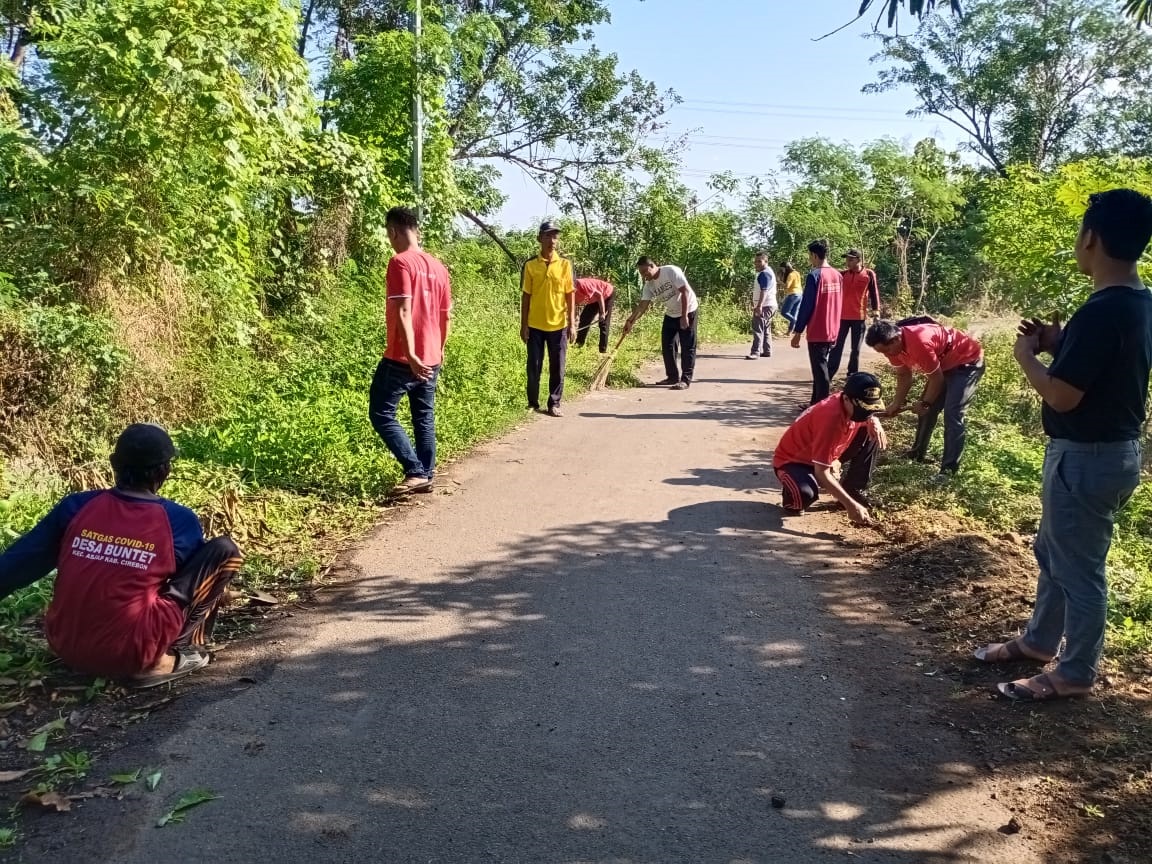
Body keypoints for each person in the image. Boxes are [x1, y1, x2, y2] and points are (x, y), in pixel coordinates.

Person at [975, 188, 1152, 703]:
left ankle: (1074, 673)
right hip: (1109, 453)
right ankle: (1037, 643)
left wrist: (1027, 357)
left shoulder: (1103, 311)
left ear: (1090, 237)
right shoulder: (1136, 302)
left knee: (1079, 571)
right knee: (1053, 553)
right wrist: (1060, 343)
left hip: (1086, 456)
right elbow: (1109, 367)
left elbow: (1063, 395)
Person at [0, 424, 242, 688]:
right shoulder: (179, 520)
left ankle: (117, 653)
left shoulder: (76, 507)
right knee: (224, 550)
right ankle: (167, 656)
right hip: (130, 653)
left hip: (65, 644)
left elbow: (15, 566)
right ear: (165, 470)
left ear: (114, 463)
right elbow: (188, 583)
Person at [369, 206, 453, 494]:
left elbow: (404, 311)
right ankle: (426, 475)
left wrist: (413, 355)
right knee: (423, 416)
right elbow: (446, 316)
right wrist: (438, 350)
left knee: (381, 412)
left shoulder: (400, 263)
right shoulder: (440, 268)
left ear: (393, 232)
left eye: (389, 234)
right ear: (416, 231)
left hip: (404, 357)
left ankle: (416, 470)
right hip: (432, 354)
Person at [866, 317, 984, 479]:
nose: (886, 355)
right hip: (944, 365)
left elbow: (937, 379)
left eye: (886, 351)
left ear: (895, 340)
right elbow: (904, 375)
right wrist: (896, 403)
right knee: (927, 412)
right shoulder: (893, 346)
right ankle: (917, 454)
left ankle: (948, 471)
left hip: (966, 363)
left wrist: (925, 403)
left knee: (953, 414)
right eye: (881, 352)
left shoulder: (919, 342)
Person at [772, 372, 888, 526]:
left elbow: (868, 414)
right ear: (847, 399)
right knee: (804, 496)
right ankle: (793, 489)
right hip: (794, 461)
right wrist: (850, 505)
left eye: (871, 408)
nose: (866, 414)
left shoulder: (851, 401)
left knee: (872, 432)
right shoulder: (830, 419)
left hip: (827, 450)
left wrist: (874, 419)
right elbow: (822, 473)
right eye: (863, 409)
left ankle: (853, 489)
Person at [520, 221, 576, 417]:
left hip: (558, 325)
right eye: (548, 236)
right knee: (534, 365)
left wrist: (572, 323)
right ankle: (532, 403)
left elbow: (570, 294)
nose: (552, 240)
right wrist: (523, 324)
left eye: (555, 236)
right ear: (539, 239)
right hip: (535, 325)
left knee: (557, 366)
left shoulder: (565, 265)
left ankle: (554, 403)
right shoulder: (530, 265)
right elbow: (526, 296)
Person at [624, 257, 700, 391]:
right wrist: (631, 320)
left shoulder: (671, 271)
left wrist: (684, 316)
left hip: (688, 310)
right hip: (671, 313)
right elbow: (643, 305)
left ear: (652, 266)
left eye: (645, 272)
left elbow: (685, 292)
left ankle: (685, 380)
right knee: (667, 345)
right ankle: (672, 377)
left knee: (687, 346)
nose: (644, 276)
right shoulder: (649, 285)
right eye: (641, 273)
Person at [790, 240, 843, 406]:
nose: (809, 259)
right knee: (820, 368)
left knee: (820, 371)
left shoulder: (815, 275)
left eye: (809, 256)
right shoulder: (838, 275)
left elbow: (806, 306)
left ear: (814, 255)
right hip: (833, 329)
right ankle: (814, 404)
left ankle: (822, 407)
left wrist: (798, 332)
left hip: (818, 330)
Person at [828, 249, 879, 380]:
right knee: (836, 346)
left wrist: (876, 313)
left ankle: (852, 374)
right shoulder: (842, 274)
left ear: (859, 260)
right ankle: (829, 372)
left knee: (855, 349)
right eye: (847, 259)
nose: (848, 262)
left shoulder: (868, 274)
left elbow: (874, 294)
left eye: (851, 259)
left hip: (859, 317)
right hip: (841, 317)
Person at [747, 252, 778, 359]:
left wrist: (759, 306)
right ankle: (767, 350)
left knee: (758, 328)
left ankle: (755, 352)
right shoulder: (769, 272)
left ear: (766, 261)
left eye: (759, 261)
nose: (757, 263)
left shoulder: (765, 273)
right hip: (771, 304)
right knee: (766, 328)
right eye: (755, 261)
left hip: (765, 305)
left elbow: (764, 290)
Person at [574, 275, 616, 353]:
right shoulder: (567, 290)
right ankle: (579, 344)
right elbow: (574, 305)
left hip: (606, 294)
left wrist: (602, 313)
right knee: (584, 318)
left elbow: (599, 295)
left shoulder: (582, 285)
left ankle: (603, 349)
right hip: (594, 299)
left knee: (603, 322)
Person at [780, 262, 803, 334]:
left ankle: (796, 322)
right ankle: (790, 331)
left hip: (793, 294)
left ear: (785, 268)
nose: (782, 271)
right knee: (793, 313)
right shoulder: (797, 273)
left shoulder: (791, 275)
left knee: (784, 312)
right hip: (800, 294)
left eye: (782, 269)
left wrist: (779, 282)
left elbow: (787, 286)